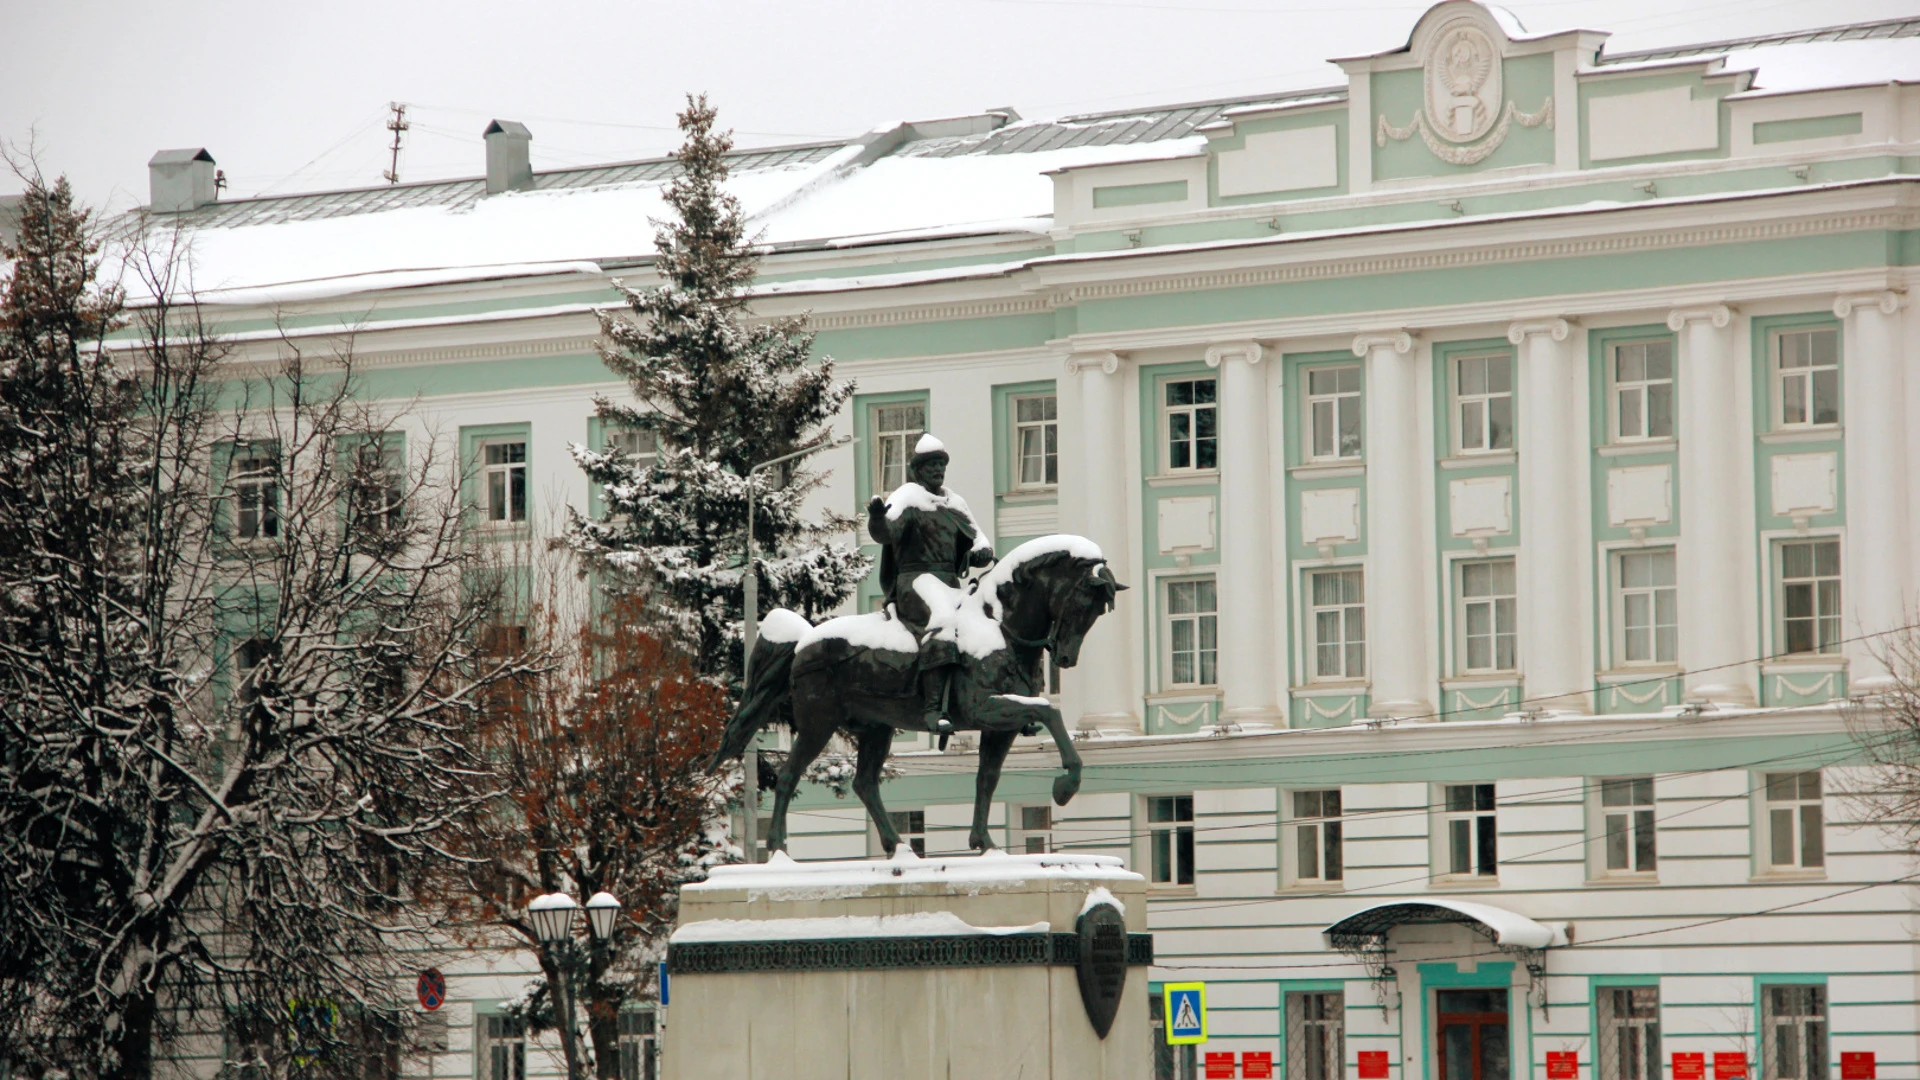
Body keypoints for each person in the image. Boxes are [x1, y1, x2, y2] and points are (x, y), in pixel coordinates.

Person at [866, 434, 994, 736]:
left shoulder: (955, 503)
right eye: (931, 465)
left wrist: (981, 552)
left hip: (949, 582)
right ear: (917, 470)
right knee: (944, 622)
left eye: (941, 465)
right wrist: (876, 517)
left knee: (985, 622)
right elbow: (886, 533)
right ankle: (933, 708)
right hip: (916, 581)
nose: (938, 470)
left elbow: (977, 539)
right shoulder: (908, 497)